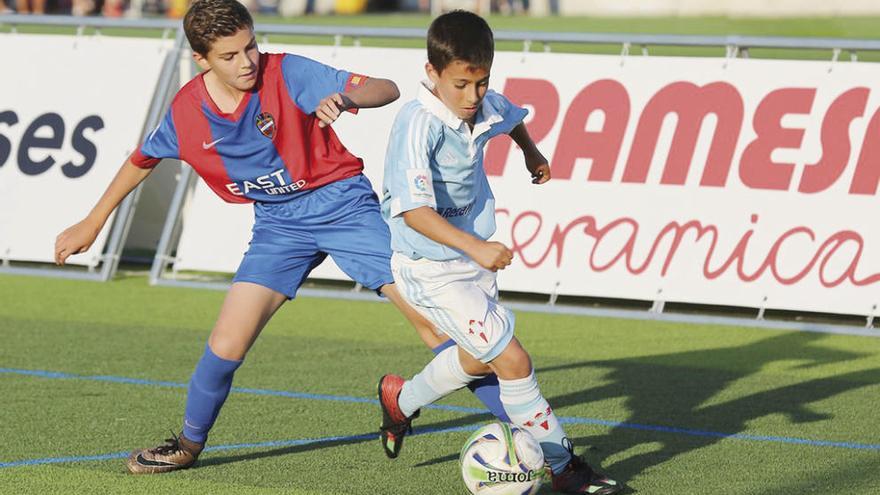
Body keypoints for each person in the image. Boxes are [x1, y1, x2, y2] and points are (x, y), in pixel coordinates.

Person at [53, 0, 505, 475]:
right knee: (226, 344)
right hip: (278, 226)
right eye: (230, 56)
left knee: (436, 326)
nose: (247, 61)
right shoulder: (188, 112)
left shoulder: (287, 72)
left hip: (343, 206)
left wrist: (349, 98)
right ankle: (187, 444)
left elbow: (385, 88)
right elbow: (143, 158)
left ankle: (535, 436)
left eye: (250, 46)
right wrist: (93, 221)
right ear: (201, 59)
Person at [377, 10, 622, 494]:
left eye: (481, 83)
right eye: (461, 85)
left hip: (471, 259)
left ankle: (399, 402)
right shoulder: (418, 124)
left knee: (476, 360)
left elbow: (508, 117)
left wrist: (531, 152)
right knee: (512, 361)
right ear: (432, 74)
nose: (472, 97)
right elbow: (413, 212)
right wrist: (477, 247)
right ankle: (565, 467)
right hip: (428, 269)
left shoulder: (484, 101)